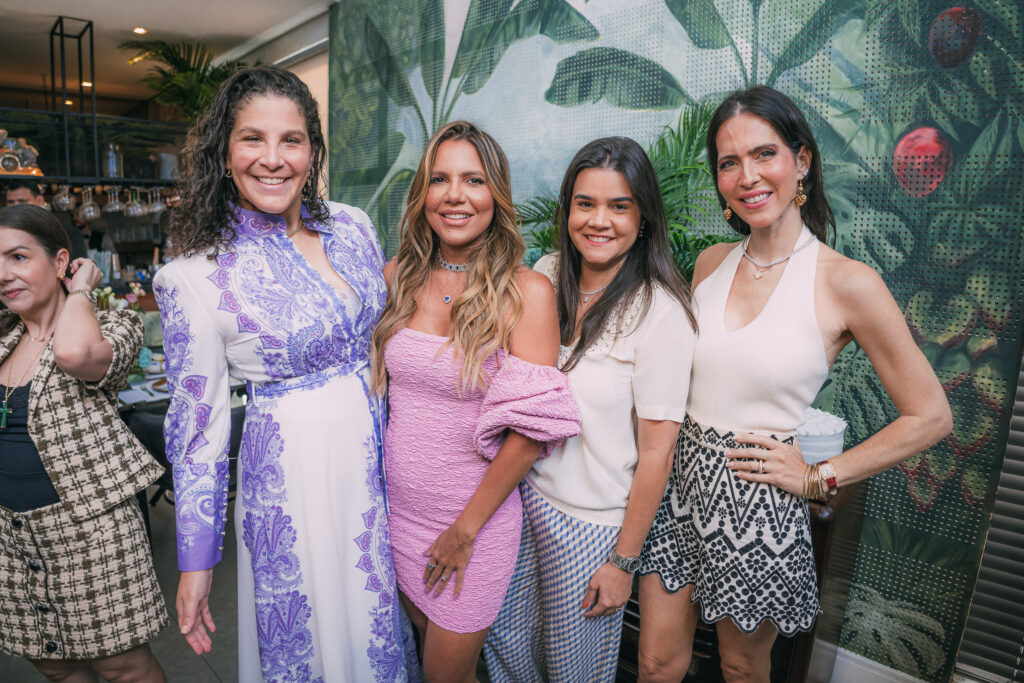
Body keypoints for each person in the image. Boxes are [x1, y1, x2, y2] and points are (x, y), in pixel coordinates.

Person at [637, 85, 952, 683]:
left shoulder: (846, 282)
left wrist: (818, 476)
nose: (747, 177)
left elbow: (931, 415)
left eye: (765, 154)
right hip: (679, 487)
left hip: (755, 503)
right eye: (729, 162)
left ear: (801, 160)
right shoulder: (710, 263)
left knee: (740, 667)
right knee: (655, 663)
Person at [153, 65, 417, 682]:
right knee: (319, 632)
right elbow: (198, 430)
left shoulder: (352, 226)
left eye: (291, 140)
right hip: (296, 478)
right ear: (224, 153)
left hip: (387, 464)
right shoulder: (192, 276)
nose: (272, 159)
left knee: (380, 628)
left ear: (312, 150)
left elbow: (388, 338)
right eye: (252, 138)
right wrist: (196, 563)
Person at [371, 120, 581, 683]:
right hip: (398, 515)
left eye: (474, 180)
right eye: (440, 179)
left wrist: (464, 531)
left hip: (475, 524)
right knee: (428, 654)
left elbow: (531, 432)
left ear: (496, 194)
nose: (455, 195)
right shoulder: (395, 278)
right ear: (423, 193)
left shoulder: (525, 292)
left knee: (445, 674)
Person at [483, 136, 697, 682]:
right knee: (507, 654)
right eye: (585, 203)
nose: (599, 221)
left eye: (619, 206)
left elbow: (657, 455)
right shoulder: (547, 273)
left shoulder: (661, 312)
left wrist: (622, 563)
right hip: (519, 500)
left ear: (643, 218)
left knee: (571, 671)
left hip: (588, 525)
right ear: (567, 210)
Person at [0, 204, 167, 682]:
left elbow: (75, 354)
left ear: (59, 261)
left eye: (18, 257)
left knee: (123, 667)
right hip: (10, 536)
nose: (4, 274)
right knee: (55, 666)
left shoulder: (113, 325)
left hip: (89, 531)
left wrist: (81, 290)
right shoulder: (5, 336)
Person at [5, 180, 88, 259]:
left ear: (39, 200)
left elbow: (78, 267)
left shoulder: (69, 233)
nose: (15, 206)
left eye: (22, 201)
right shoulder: (3, 233)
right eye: (11, 202)